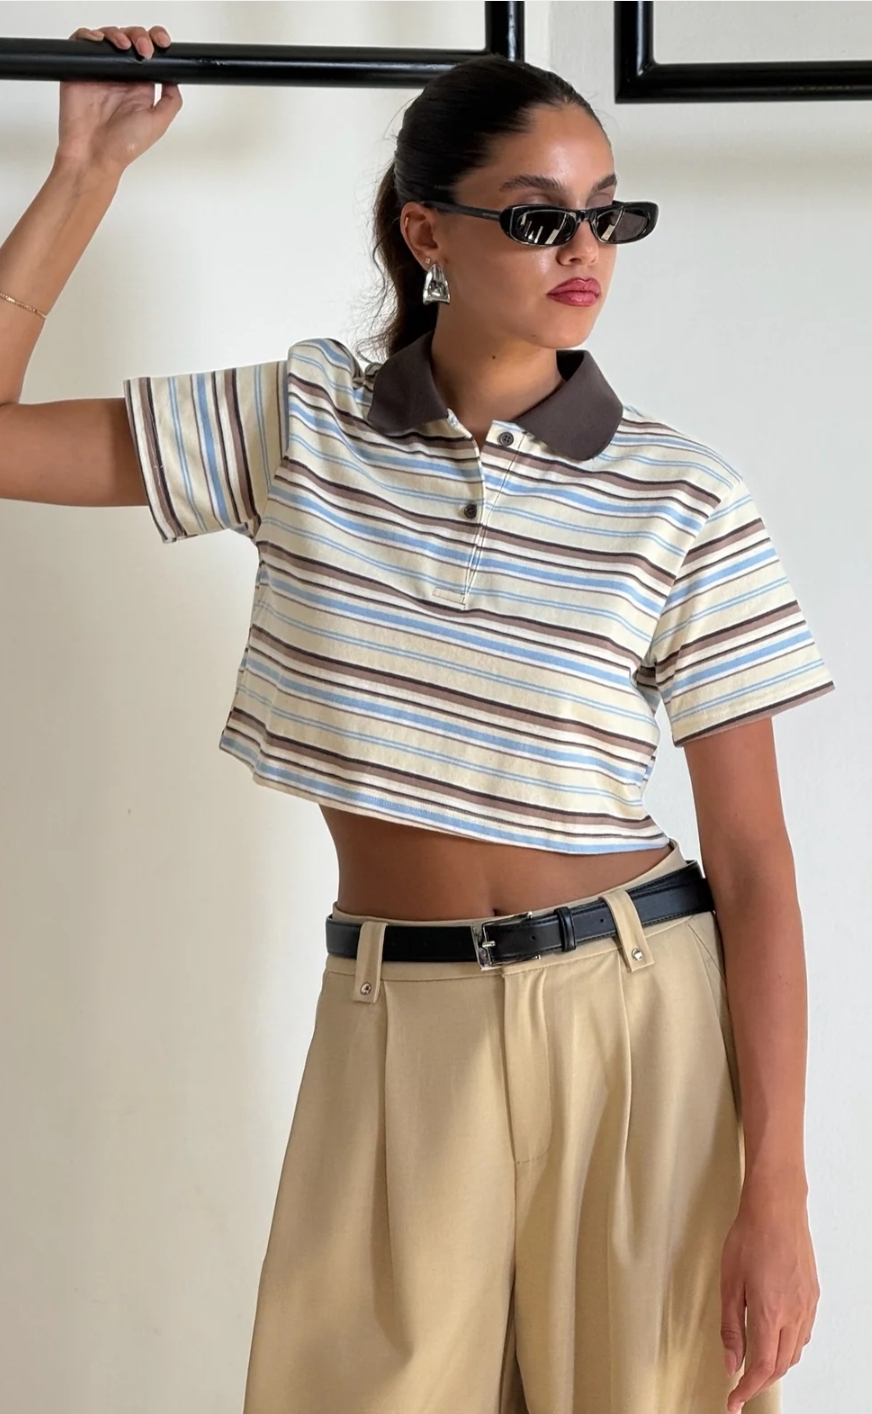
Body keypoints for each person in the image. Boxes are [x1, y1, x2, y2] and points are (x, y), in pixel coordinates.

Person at [0, 23, 831, 1414]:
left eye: (608, 214)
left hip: (634, 1024)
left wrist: (780, 1190)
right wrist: (84, 170)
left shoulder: (684, 495)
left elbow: (754, 863)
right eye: (538, 216)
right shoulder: (298, 423)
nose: (585, 250)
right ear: (425, 229)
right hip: (396, 1020)